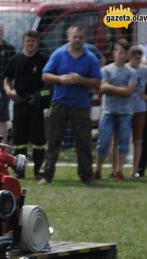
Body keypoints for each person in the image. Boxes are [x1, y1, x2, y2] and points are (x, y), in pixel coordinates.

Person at [39, 26, 102, 185]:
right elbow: (45, 75)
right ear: (69, 38)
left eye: (81, 37)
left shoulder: (90, 58)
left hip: (81, 106)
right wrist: (60, 79)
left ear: (85, 39)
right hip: (59, 103)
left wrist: (81, 80)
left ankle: (86, 176)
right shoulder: (59, 54)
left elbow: (98, 82)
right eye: (75, 37)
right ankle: (47, 175)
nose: (77, 40)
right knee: (53, 140)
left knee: (84, 142)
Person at [3, 30, 49, 179]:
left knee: (38, 140)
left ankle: (38, 171)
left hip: (37, 105)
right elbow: (6, 80)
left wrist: (42, 97)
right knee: (19, 140)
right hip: (20, 103)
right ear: (23, 42)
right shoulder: (15, 60)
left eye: (33, 41)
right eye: (28, 41)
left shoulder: (43, 60)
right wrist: (9, 91)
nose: (30, 43)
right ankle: (19, 170)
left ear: (37, 43)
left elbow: (49, 86)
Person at [93, 39, 136, 181]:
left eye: (125, 53)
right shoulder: (105, 70)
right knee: (103, 142)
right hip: (108, 112)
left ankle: (119, 171)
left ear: (128, 55)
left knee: (123, 143)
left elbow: (129, 91)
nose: (122, 55)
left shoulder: (132, 72)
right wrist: (121, 89)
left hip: (125, 113)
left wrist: (112, 88)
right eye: (120, 51)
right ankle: (97, 170)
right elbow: (103, 88)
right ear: (114, 53)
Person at [127, 45, 147, 179]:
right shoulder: (125, 69)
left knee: (140, 139)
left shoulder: (144, 70)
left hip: (141, 108)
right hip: (125, 107)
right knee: (120, 138)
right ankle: (117, 170)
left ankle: (138, 169)